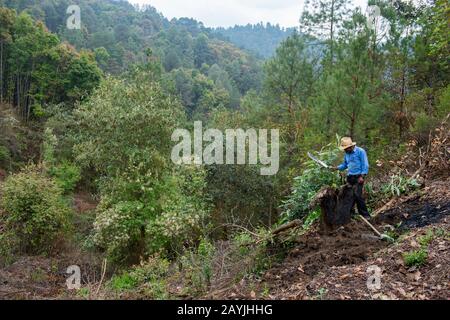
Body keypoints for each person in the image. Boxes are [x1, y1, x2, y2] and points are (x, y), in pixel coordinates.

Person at [332, 137, 371, 219]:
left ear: (350, 147)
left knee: (357, 195)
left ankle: (365, 215)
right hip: (350, 177)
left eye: (346, 148)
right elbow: (345, 165)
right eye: (344, 149)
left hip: (358, 177)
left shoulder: (360, 151)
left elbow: (365, 164)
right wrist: (336, 168)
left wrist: (362, 176)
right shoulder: (347, 154)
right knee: (349, 195)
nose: (345, 150)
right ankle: (351, 213)